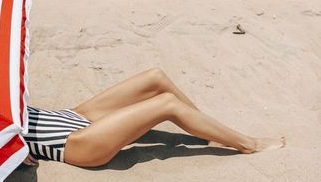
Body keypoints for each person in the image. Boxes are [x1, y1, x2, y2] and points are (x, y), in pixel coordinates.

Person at [21, 67, 286, 167]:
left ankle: (209, 134)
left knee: (155, 78)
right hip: (73, 143)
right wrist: (12, 152)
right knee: (166, 104)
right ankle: (248, 144)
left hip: (70, 116)